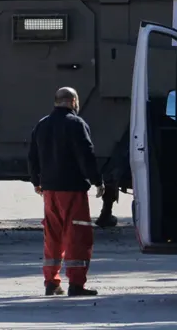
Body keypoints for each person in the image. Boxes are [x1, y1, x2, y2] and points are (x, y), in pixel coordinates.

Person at [29, 87, 105, 297]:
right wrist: (97, 181)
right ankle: (76, 284)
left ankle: (51, 282)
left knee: (52, 236)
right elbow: (86, 155)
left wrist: (36, 181)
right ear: (73, 101)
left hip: (49, 191)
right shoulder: (76, 124)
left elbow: (32, 156)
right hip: (72, 190)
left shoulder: (42, 124)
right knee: (77, 235)